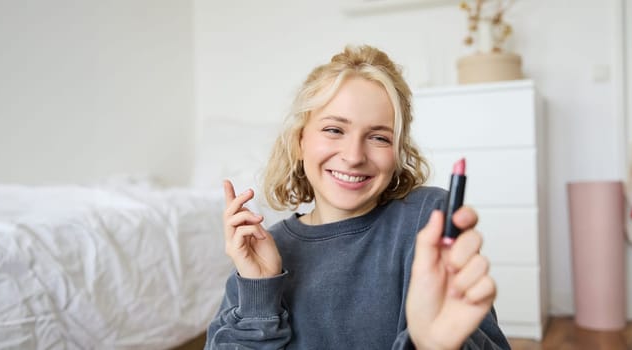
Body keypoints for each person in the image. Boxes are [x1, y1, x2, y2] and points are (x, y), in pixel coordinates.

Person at [206, 45, 510, 350]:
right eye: (334, 130)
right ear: (300, 142)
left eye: (379, 137)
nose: (353, 156)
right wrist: (260, 296)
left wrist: (431, 343)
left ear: (398, 152)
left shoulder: (427, 221)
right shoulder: (263, 254)